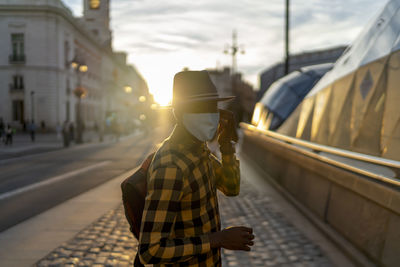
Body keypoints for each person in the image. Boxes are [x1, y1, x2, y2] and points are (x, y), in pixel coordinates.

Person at [138, 71, 254, 266]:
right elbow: (150, 250)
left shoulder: (199, 149)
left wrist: (226, 145)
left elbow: (231, 187)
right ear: (179, 113)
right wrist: (218, 239)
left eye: (213, 107)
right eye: (200, 108)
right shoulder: (171, 165)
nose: (210, 114)